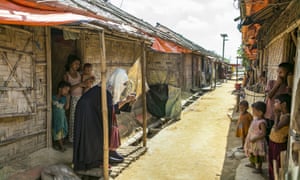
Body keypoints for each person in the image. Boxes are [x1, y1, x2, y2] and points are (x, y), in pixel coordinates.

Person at [73, 68, 136, 171]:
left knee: (93, 136)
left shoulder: (107, 87)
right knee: (93, 136)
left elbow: (110, 108)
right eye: (123, 83)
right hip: (87, 111)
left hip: (88, 109)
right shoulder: (106, 90)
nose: (123, 86)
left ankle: (93, 159)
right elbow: (111, 110)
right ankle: (91, 161)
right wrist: (126, 100)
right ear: (118, 81)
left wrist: (127, 101)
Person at [268, 94, 291, 180]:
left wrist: (276, 115)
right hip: (273, 141)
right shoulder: (282, 114)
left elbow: (276, 128)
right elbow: (275, 126)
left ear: (284, 104)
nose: (274, 104)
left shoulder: (286, 117)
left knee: (277, 164)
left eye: (276, 102)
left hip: (279, 144)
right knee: (272, 162)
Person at [63, 55, 86, 143]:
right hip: (73, 99)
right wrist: (79, 85)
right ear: (70, 64)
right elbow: (67, 90)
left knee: (81, 118)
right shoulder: (66, 75)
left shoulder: (79, 74)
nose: (77, 66)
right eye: (75, 63)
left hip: (81, 98)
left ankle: (80, 137)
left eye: (79, 64)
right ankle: (72, 139)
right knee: (73, 119)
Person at [244, 101, 267, 174]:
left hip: (258, 142)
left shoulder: (262, 122)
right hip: (252, 141)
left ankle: (259, 168)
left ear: (260, 112)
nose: (252, 112)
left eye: (254, 110)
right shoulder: (255, 119)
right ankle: (252, 163)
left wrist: (255, 138)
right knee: (252, 152)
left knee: (258, 155)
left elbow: (263, 134)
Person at [52, 81, 71, 152]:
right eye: (65, 89)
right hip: (57, 118)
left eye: (68, 90)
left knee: (62, 130)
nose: (67, 92)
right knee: (58, 130)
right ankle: (61, 146)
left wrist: (68, 100)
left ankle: (59, 144)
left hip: (62, 117)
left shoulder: (64, 98)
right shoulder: (53, 97)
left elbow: (66, 108)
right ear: (60, 89)